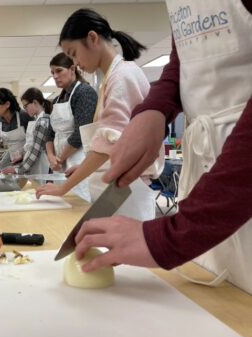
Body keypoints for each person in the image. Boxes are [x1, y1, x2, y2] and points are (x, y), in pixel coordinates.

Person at [74, 0, 252, 294]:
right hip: (205, 183)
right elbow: (182, 60)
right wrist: (155, 109)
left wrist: (172, 237)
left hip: (238, 179)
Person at [37, 9, 164, 222]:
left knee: (124, 253)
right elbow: (117, 140)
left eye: (74, 53)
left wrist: (63, 188)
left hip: (126, 191)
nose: (75, 64)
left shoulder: (122, 76)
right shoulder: (111, 78)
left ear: (92, 38)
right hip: (116, 186)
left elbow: (109, 145)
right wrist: (89, 164)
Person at [43, 53, 98, 201]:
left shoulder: (84, 93)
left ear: (72, 69)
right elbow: (49, 132)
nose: (55, 76)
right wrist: (50, 156)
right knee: (61, 203)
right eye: (52, 73)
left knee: (77, 203)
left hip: (78, 159)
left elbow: (80, 133)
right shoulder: (57, 99)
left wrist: (59, 158)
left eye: (59, 71)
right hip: (59, 162)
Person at [1, 88, 52, 182]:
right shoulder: (37, 121)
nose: (25, 109)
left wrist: (17, 169)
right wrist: (22, 155)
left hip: (40, 167)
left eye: (26, 106)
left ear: (35, 102)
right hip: (32, 167)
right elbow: (31, 146)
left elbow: (35, 152)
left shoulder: (43, 121)